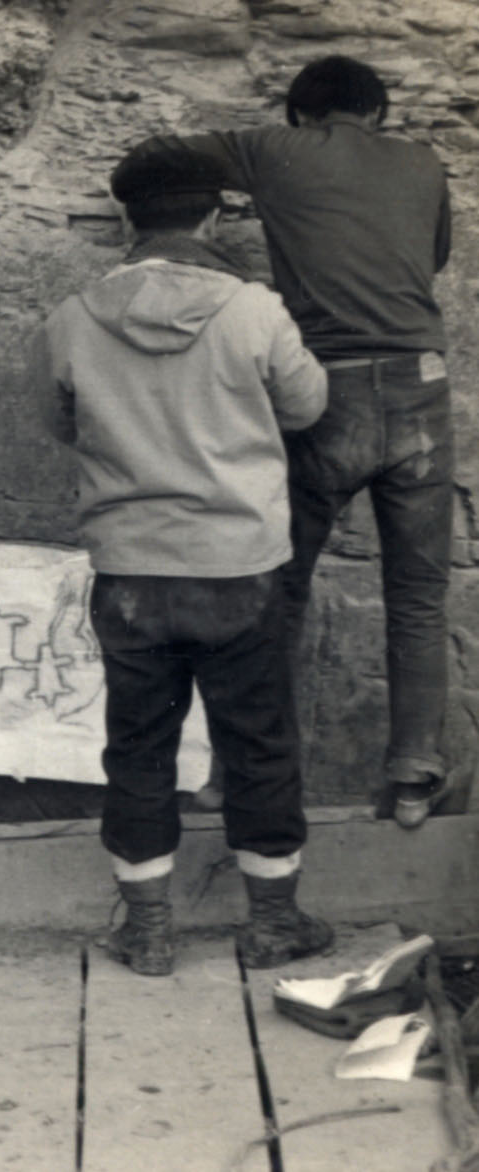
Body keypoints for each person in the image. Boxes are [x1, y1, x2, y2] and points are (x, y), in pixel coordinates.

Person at [116, 56, 455, 830]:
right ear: (378, 112)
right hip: (418, 387)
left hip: (322, 388)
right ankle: (412, 774)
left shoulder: (270, 148)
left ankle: (243, 774)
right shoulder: (423, 160)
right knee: (418, 591)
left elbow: (156, 165)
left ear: (301, 112)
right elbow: (431, 259)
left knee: (279, 588)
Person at [32, 144, 333, 974]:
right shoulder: (254, 310)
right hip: (239, 566)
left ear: (129, 219)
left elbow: (63, 424)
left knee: (137, 747)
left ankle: (148, 929)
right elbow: (308, 408)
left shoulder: (72, 318)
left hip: (132, 573)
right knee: (261, 742)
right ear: (210, 217)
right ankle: (273, 923)